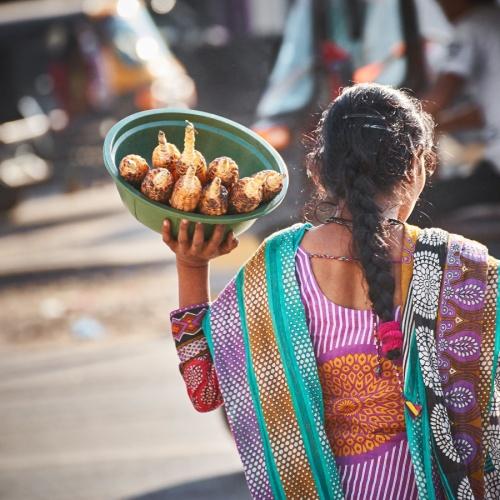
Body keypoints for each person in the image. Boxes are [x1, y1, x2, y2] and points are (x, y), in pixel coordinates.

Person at [163, 83, 500, 499]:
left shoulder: (277, 268)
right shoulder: (463, 268)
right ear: (417, 167)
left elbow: (205, 390)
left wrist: (191, 266)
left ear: (319, 171)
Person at [419, 0, 500, 220]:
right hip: (493, 165)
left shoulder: (473, 25)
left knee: (419, 206)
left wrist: (401, 123)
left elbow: (440, 96)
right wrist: (439, 126)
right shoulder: (492, 23)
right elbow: (488, 112)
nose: (442, 8)